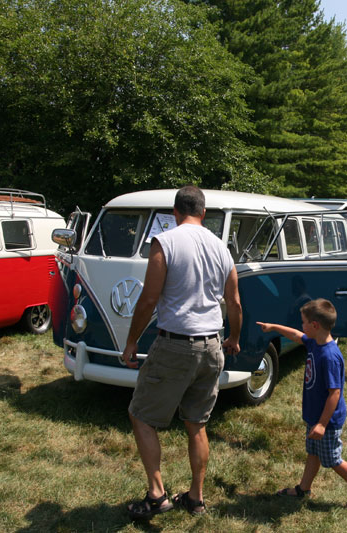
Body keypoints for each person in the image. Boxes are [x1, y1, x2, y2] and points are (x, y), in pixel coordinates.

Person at [121, 185, 242, 520]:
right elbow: (234, 302)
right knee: (197, 424)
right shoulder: (222, 248)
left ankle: (157, 495)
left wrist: (131, 342)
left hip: (176, 344)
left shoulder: (166, 241)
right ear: (203, 213)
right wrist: (233, 337)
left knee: (141, 415)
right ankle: (196, 498)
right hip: (213, 345)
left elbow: (148, 299)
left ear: (175, 212)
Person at [256, 299, 347, 512]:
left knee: (332, 459)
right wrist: (273, 327)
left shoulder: (329, 355)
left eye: (303, 322)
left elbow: (334, 393)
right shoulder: (314, 342)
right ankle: (304, 489)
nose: (301, 326)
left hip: (327, 420)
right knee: (313, 453)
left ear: (315, 325)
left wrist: (321, 424)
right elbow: (295, 334)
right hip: (314, 415)